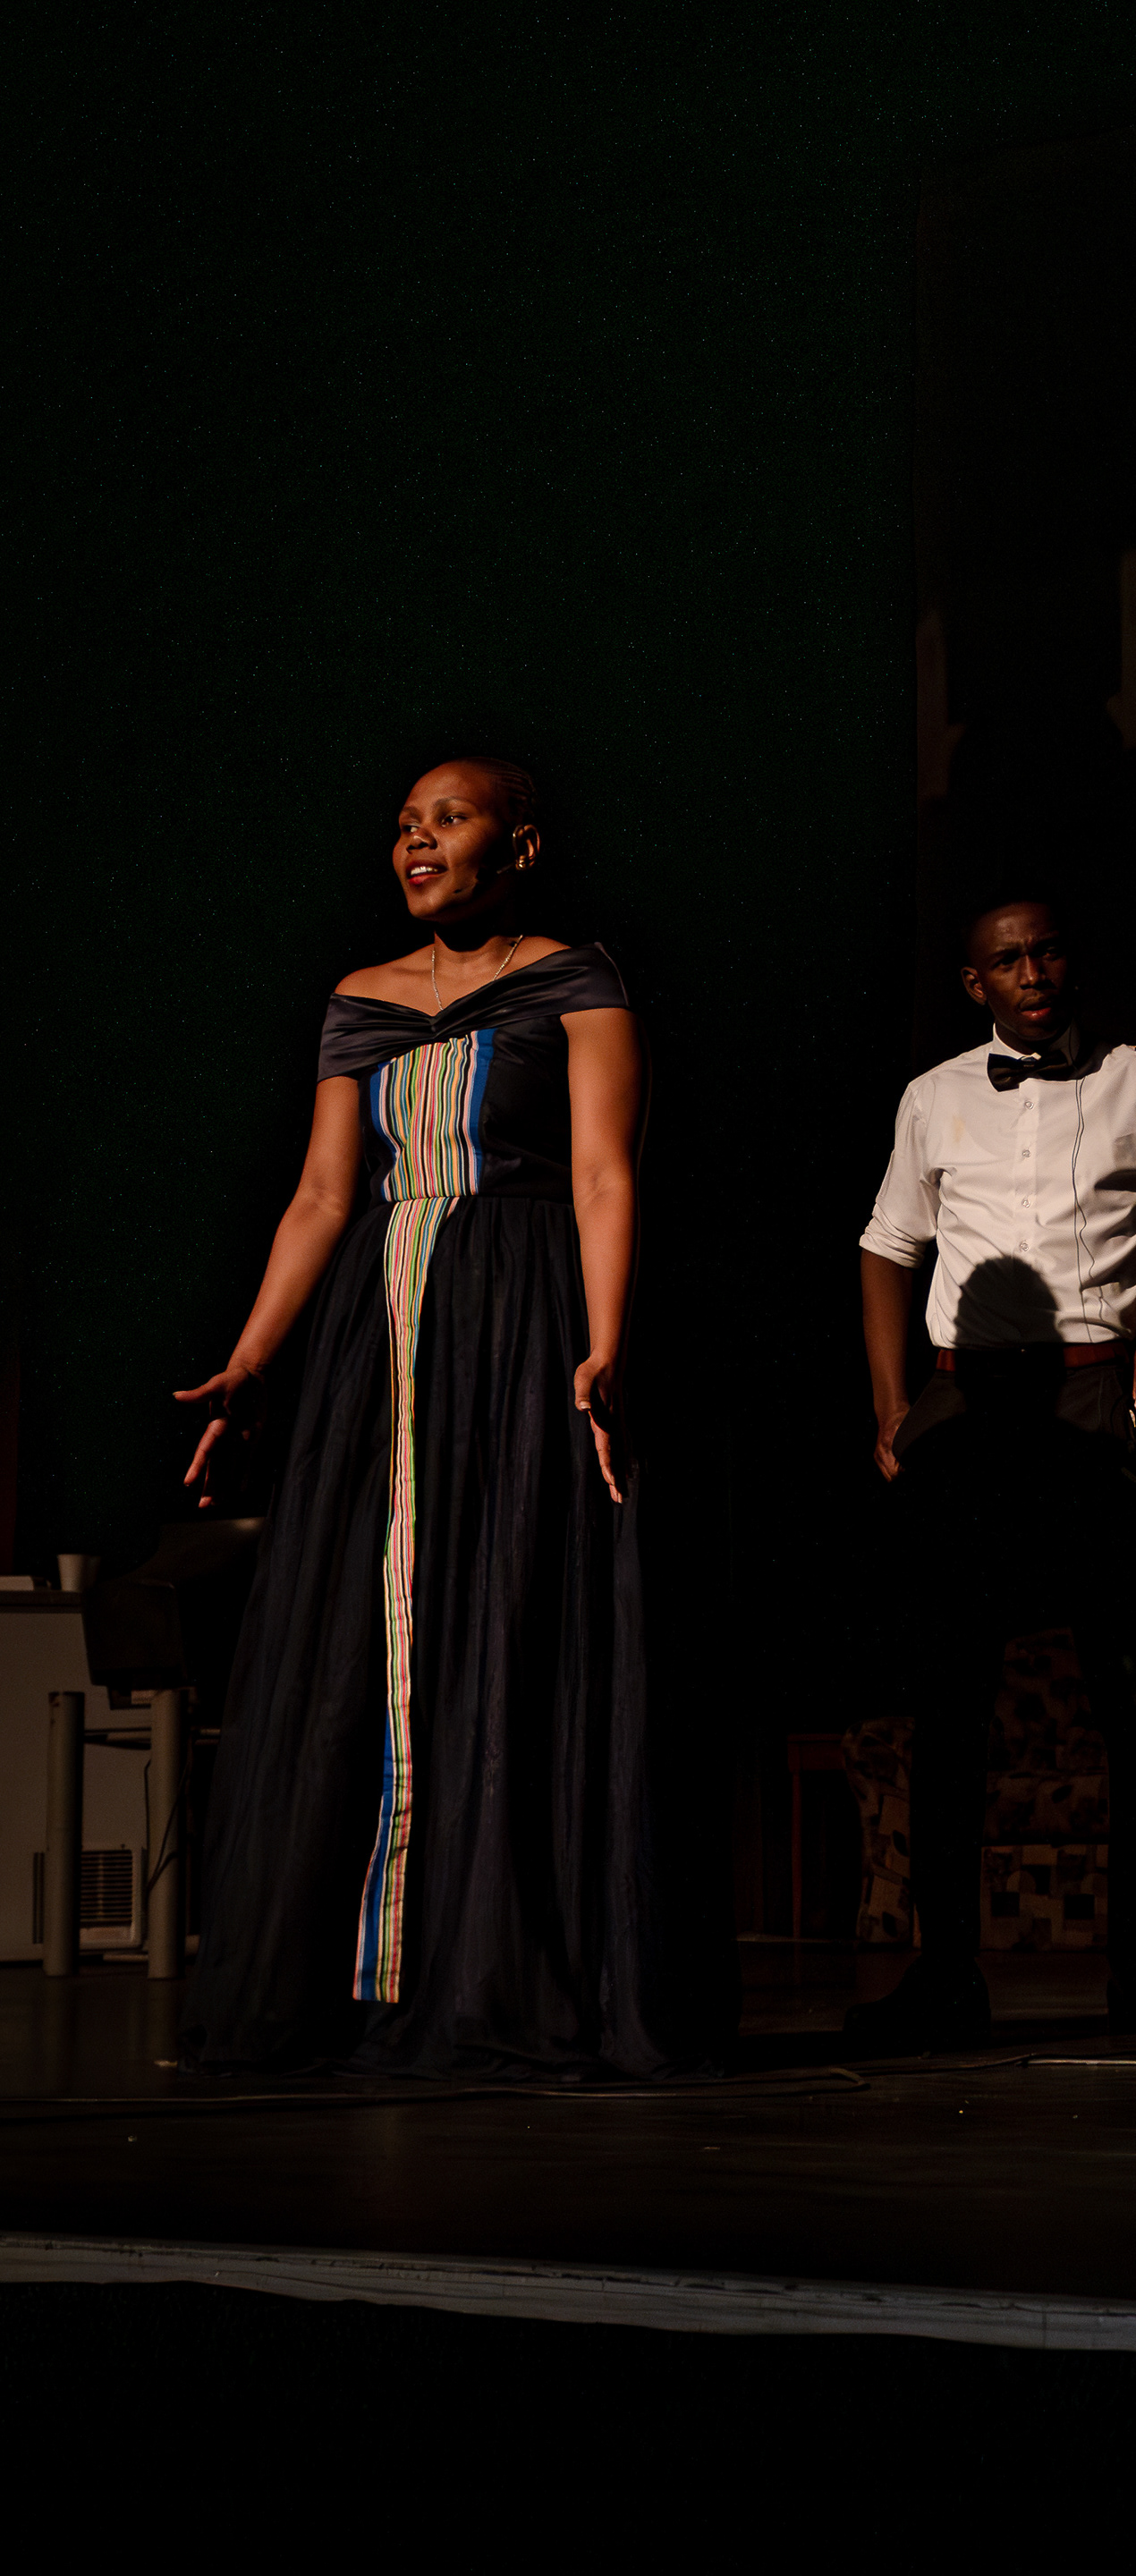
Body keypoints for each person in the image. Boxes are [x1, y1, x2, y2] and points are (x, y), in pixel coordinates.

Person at [179, 757, 688, 2080]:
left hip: (519, 1316)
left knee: (499, 1608)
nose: (417, 841)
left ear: (518, 846)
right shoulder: (361, 998)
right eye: (406, 825)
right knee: (372, 1621)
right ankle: (360, 1982)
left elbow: (603, 1171)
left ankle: (488, 1969)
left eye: (448, 820)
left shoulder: (574, 980)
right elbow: (322, 1196)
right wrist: (250, 1361)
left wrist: (607, 1343)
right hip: (381, 1334)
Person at [848, 893, 1136, 2051]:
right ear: (977, 983)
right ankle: (946, 1976)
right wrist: (893, 1407)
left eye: (1048, 950)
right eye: (1008, 960)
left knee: (1131, 1695)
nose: (1033, 973)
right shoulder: (935, 1096)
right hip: (965, 1406)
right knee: (949, 1694)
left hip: (1095, 1394)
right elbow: (887, 1246)